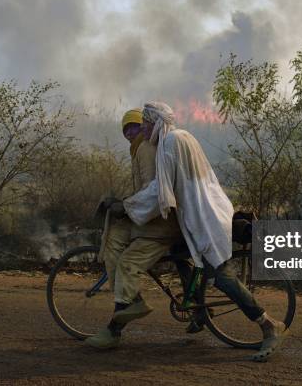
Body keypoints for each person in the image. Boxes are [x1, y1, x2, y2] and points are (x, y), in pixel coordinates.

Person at [117, 102, 288, 362]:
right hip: (206, 212)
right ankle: (197, 309)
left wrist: (127, 206)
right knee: (178, 253)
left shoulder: (169, 145)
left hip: (204, 220)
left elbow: (159, 192)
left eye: (145, 124)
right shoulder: (181, 136)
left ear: (156, 122)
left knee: (221, 276)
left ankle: (267, 323)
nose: (142, 129)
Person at [86, 108, 193, 350]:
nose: (129, 133)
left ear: (147, 127)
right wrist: (126, 204)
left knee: (126, 263)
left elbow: (154, 190)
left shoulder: (145, 148)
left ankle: (119, 320)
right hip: (159, 220)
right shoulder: (141, 148)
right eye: (125, 129)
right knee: (121, 242)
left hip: (160, 224)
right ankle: (194, 309)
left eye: (134, 127)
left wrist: (125, 206)